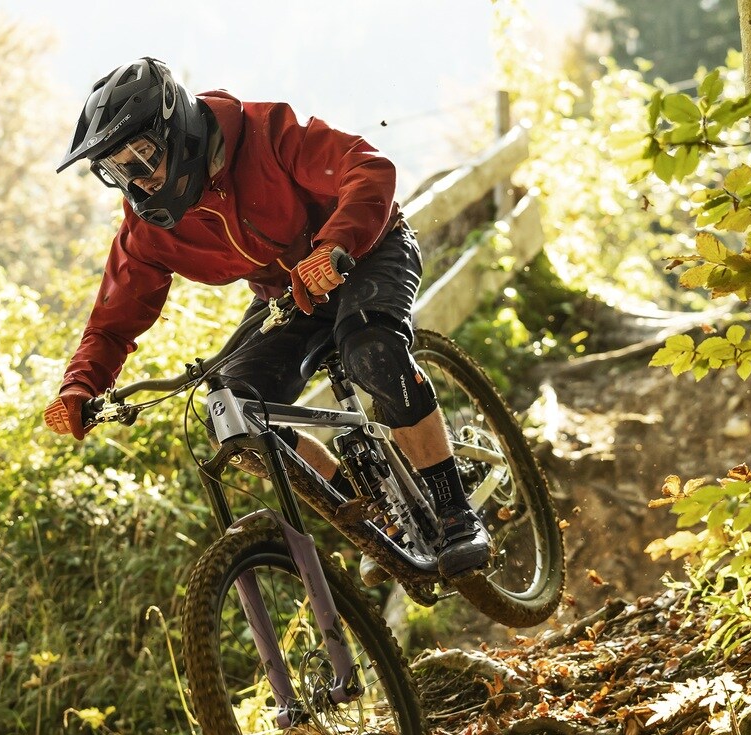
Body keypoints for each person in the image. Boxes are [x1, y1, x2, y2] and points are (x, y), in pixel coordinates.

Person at [42, 57, 489, 579]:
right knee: (231, 414)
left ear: (177, 129)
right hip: (288, 293)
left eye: (142, 157)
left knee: (372, 350)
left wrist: (336, 244)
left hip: (367, 248)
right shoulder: (149, 231)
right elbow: (112, 321)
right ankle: (378, 517)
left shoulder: (264, 132)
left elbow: (367, 167)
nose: (137, 182)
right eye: (118, 171)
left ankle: (456, 510)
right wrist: (79, 388)